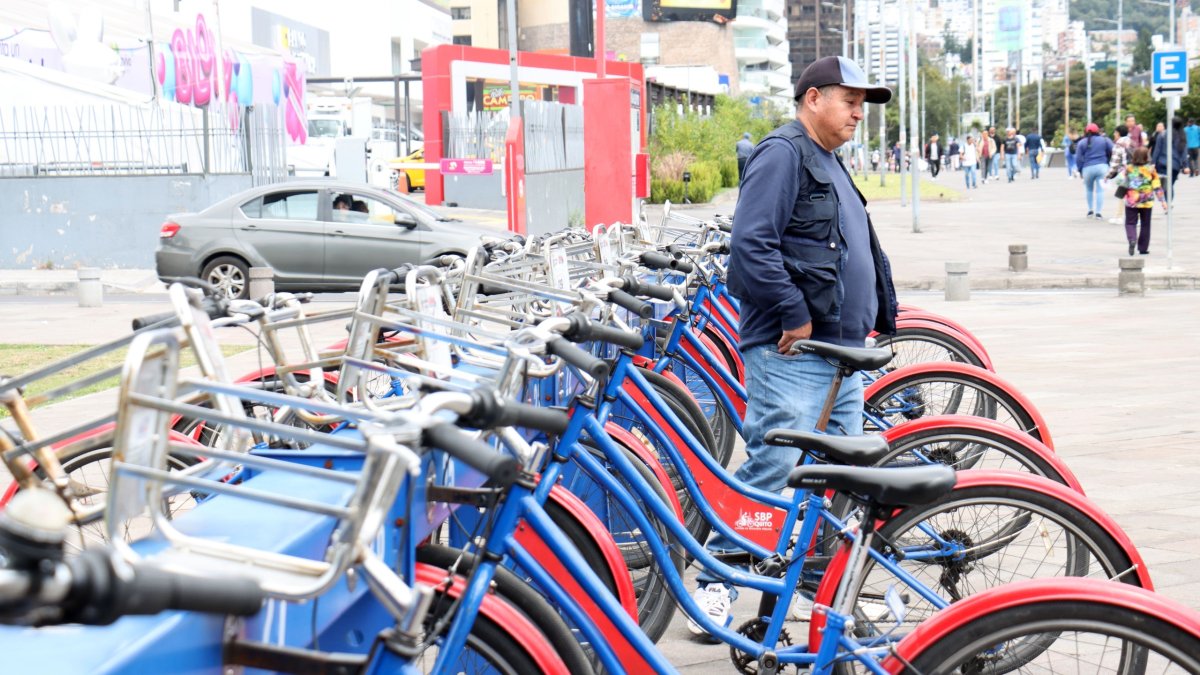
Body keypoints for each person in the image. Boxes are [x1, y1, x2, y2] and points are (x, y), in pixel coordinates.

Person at [691, 55, 898, 640]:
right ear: (813, 99)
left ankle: (826, 592)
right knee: (773, 466)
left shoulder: (827, 158)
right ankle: (716, 580)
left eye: (864, 103)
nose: (859, 112)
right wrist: (795, 314)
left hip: (837, 353)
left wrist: (875, 311)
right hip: (794, 353)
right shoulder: (783, 154)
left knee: (846, 474)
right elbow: (751, 246)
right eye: (849, 100)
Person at [1117, 146, 1168, 256]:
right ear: (1146, 157)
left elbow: (1119, 180)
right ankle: (1143, 248)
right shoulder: (1151, 169)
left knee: (1130, 223)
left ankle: (1132, 239)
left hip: (1132, 200)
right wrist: (1163, 201)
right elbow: (1157, 186)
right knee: (1146, 224)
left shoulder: (1128, 168)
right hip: (1147, 200)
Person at [1077, 122, 1114, 220]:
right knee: (1100, 190)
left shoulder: (1082, 142)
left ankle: (1090, 210)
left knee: (1089, 189)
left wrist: (1080, 171)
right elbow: (1112, 151)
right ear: (1097, 131)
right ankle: (1098, 213)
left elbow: (1078, 158)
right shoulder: (1105, 140)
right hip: (1102, 167)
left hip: (1087, 168)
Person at [1151, 116, 1188, 202]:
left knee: (1166, 185)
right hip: (1175, 165)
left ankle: (1168, 203)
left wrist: (1153, 163)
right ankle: (1168, 203)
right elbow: (1184, 152)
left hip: (1162, 164)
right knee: (1170, 184)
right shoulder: (1182, 136)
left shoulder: (1162, 134)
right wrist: (1186, 165)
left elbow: (1157, 150)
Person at [1105, 125, 1132, 224]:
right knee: (1133, 194)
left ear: (1119, 133)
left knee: (1121, 194)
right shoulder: (1132, 142)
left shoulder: (1118, 145)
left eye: (1115, 133)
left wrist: (1108, 175)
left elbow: (1114, 163)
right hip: (1136, 171)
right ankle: (1136, 217)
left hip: (1124, 172)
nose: (1114, 134)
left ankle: (1119, 216)